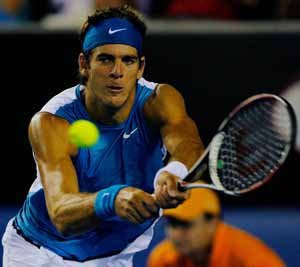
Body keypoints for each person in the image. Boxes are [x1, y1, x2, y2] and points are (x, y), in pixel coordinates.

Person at [1, 4, 204, 267]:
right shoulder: (52, 122)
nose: (117, 72)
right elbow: (62, 215)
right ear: (84, 64)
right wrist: (113, 199)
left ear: (141, 67)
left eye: (127, 60)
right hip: (41, 253)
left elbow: (188, 143)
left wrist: (174, 171)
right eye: (105, 59)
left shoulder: (159, 101)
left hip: (114, 256)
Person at [147, 188, 286, 267]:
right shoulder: (162, 259)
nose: (175, 234)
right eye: (171, 224)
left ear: (212, 222)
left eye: (185, 224)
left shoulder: (251, 258)